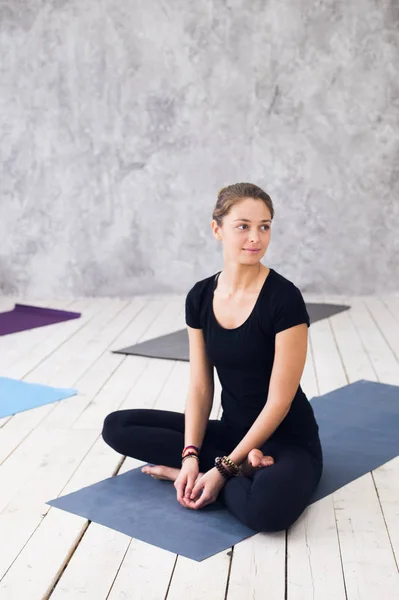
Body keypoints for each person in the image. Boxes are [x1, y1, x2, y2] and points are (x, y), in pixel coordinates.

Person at [102, 182, 323, 532]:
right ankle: (233, 469)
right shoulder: (201, 297)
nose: (256, 237)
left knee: (265, 513)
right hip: (231, 435)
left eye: (264, 226)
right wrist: (190, 457)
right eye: (243, 226)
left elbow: (280, 402)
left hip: (286, 440)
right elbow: (201, 386)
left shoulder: (284, 299)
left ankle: (236, 473)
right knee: (117, 426)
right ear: (217, 229)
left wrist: (222, 471)